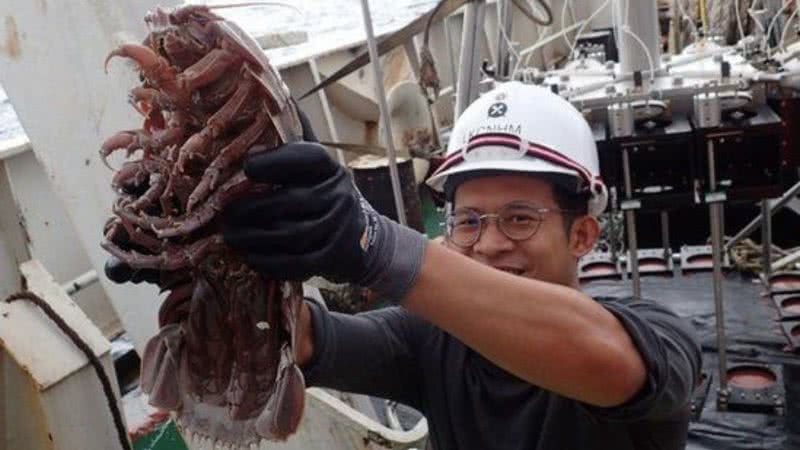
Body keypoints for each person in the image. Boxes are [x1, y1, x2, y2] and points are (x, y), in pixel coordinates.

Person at [108, 81, 702, 449]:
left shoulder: (659, 339)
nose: (490, 244)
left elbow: (607, 362)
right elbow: (308, 340)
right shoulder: (428, 340)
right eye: (469, 222)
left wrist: (373, 244)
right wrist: (210, 257)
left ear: (583, 234)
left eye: (520, 219)